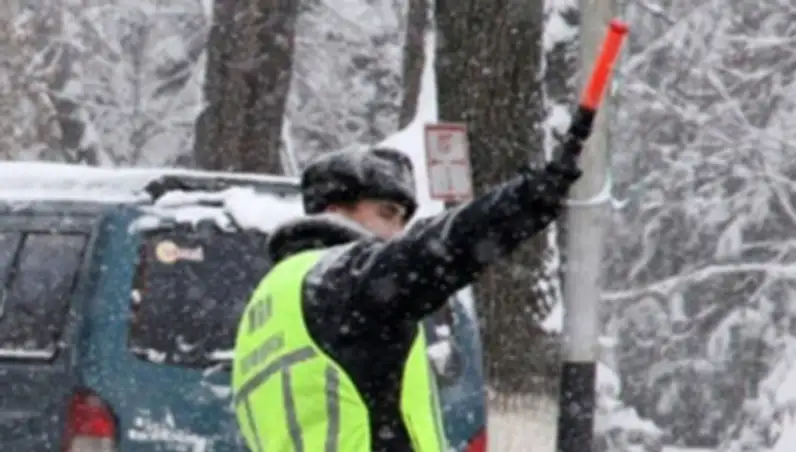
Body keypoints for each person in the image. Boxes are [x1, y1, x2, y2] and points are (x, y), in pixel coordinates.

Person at [231, 145, 582, 452]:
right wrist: (528, 198)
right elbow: (439, 249)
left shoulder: (266, 306)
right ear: (335, 210)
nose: (396, 233)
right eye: (387, 214)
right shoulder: (341, 281)